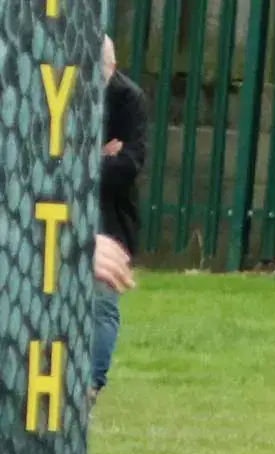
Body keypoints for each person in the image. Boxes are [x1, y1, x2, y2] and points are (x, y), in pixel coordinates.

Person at [94, 35, 148, 408]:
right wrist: (96, 157)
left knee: (103, 301)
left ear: (112, 68)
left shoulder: (129, 99)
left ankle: (91, 386)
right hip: (59, 210)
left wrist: (85, 162)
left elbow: (129, 165)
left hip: (111, 216)